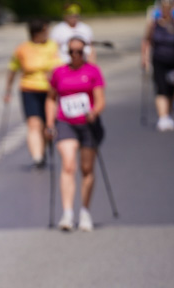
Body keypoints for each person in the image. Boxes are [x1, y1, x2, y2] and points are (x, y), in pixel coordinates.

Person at [46, 37, 106, 232]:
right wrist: (49, 123)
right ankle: (67, 213)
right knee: (69, 164)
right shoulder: (59, 72)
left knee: (87, 168)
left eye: (79, 51)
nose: (76, 55)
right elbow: (51, 98)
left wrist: (94, 112)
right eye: (72, 51)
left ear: (85, 52)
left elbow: (100, 99)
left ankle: (85, 211)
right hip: (66, 122)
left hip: (88, 124)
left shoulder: (92, 71)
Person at [5, 19, 61, 168]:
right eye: (45, 31)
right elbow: (13, 69)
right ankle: (38, 157)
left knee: (48, 125)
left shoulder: (53, 46)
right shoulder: (22, 49)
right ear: (37, 33)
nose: (47, 34)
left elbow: (62, 67)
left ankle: (44, 146)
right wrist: (8, 90)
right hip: (29, 89)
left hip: (51, 91)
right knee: (34, 123)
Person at [143, 0, 174, 131]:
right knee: (161, 88)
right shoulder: (154, 20)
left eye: (168, 6)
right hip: (159, 59)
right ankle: (163, 117)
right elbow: (147, 40)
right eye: (163, 6)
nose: (165, 9)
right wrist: (145, 58)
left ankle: (167, 115)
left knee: (171, 89)